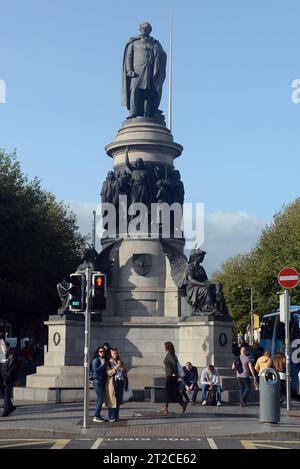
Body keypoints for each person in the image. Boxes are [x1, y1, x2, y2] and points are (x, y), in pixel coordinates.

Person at [122, 22, 167, 118]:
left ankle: (148, 113)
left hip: (150, 72)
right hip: (137, 72)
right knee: (135, 90)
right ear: (140, 29)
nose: (145, 29)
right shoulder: (134, 42)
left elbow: (162, 55)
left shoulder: (154, 43)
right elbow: (128, 56)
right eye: (143, 28)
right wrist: (129, 70)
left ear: (150, 30)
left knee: (148, 92)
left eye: (147, 28)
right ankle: (133, 111)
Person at [159, 341, 188, 415]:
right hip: (171, 376)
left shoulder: (169, 355)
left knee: (166, 391)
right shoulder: (172, 354)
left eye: (164, 346)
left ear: (167, 347)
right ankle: (167, 407)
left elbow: (174, 363)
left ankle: (167, 407)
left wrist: (174, 373)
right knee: (172, 392)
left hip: (171, 376)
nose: (163, 348)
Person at [105, 348, 126, 422]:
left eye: (116, 353)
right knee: (112, 400)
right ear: (111, 353)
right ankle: (111, 417)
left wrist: (122, 368)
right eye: (114, 353)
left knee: (118, 401)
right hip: (112, 383)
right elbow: (108, 373)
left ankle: (116, 416)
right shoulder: (108, 362)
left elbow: (124, 372)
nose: (115, 355)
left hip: (120, 382)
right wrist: (116, 367)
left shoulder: (119, 361)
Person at [0, 342, 19, 417]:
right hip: (2, 378)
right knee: (4, 394)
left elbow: (13, 368)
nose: (4, 349)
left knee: (7, 394)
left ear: (8, 347)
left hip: (9, 378)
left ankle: (6, 411)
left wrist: (8, 376)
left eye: (5, 348)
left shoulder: (13, 355)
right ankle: (10, 407)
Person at [91, 346, 107, 423]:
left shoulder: (103, 359)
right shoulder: (96, 360)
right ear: (98, 352)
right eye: (100, 351)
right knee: (100, 399)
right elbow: (95, 371)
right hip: (97, 381)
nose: (102, 353)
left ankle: (98, 415)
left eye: (103, 351)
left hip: (101, 381)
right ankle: (96, 416)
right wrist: (102, 365)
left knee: (100, 399)